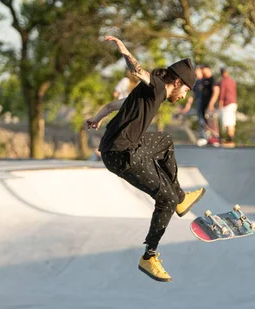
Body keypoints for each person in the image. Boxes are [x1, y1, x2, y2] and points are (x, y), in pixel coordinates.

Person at [85, 36, 206, 283]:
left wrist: (97, 119)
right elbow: (138, 70)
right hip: (122, 155)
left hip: (124, 147)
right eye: (185, 91)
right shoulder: (158, 87)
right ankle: (149, 255)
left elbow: (112, 105)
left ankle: (181, 199)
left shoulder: (148, 95)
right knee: (166, 198)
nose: (183, 96)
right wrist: (123, 49)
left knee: (165, 141)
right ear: (178, 82)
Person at [209, 67, 238, 148]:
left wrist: (220, 103)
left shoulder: (223, 82)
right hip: (233, 104)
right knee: (231, 122)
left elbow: (222, 94)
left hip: (227, 104)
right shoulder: (232, 81)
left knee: (227, 122)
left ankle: (229, 140)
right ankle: (231, 140)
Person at [180, 65, 208, 146]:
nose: (196, 74)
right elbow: (192, 95)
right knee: (200, 120)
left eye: (198, 72)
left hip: (206, 104)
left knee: (205, 121)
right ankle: (203, 137)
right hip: (199, 104)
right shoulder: (196, 82)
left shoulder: (206, 81)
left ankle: (208, 137)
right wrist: (187, 106)